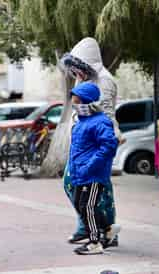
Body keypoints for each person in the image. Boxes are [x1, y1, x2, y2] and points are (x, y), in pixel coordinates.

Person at [60, 37, 121, 247]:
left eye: (78, 68)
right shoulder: (84, 78)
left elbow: (104, 113)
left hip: (95, 147)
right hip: (82, 145)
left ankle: (106, 230)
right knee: (74, 185)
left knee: (99, 191)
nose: (76, 74)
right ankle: (90, 225)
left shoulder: (104, 80)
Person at [69, 82, 118, 255]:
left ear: (87, 102)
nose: (74, 105)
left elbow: (109, 146)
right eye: (73, 101)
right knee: (80, 204)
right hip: (80, 173)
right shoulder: (80, 122)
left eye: (77, 101)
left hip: (93, 174)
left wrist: (90, 166)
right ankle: (108, 228)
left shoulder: (100, 121)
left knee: (87, 206)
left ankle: (94, 242)